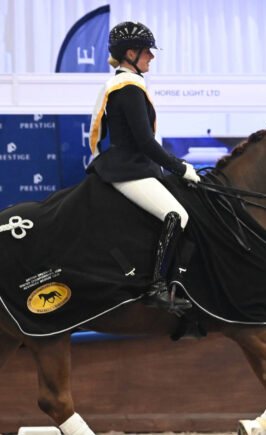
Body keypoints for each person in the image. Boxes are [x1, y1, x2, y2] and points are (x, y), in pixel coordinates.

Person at [86, 21, 201, 312]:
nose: (152, 56)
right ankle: (156, 287)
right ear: (130, 54)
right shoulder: (126, 88)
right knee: (177, 216)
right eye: (147, 51)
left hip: (137, 165)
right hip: (129, 168)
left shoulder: (129, 85)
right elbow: (146, 143)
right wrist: (180, 167)